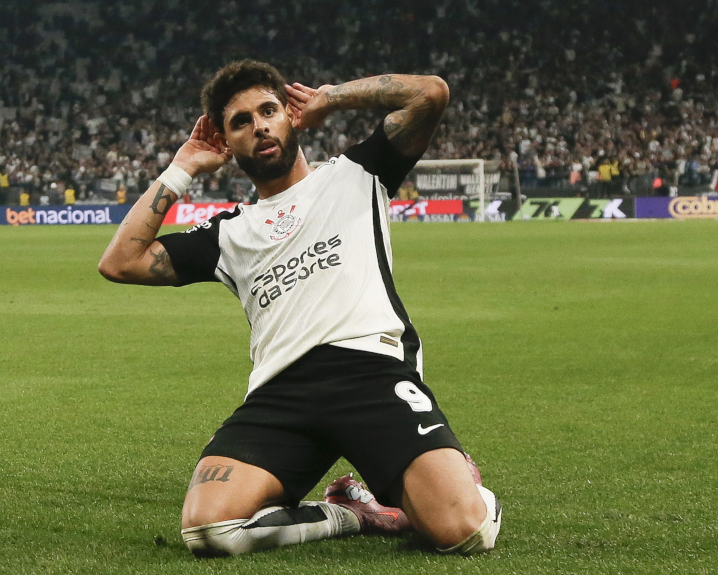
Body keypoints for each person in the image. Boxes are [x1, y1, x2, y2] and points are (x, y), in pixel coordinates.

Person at [97, 60, 500, 558]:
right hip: (281, 394)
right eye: (240, 122)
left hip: (369, 374)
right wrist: (184, 168)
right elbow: (119, 262)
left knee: (465, 530)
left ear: (289, 115)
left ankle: (460, 480)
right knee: (207, 530)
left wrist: (331, 97)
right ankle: (351, 513)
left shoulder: (358, 172)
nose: (259, 125)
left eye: (268, 110)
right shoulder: (228, 234)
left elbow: (431, 94)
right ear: (226, 143)